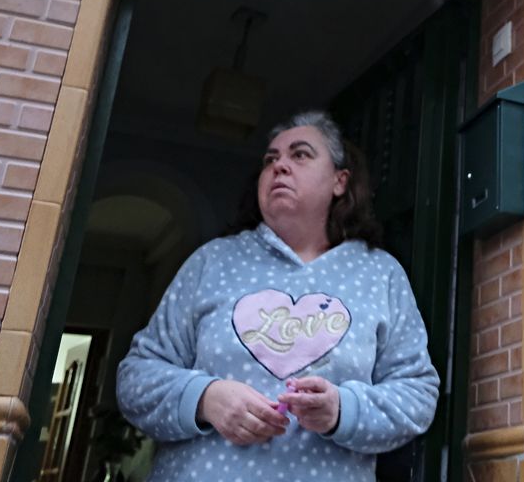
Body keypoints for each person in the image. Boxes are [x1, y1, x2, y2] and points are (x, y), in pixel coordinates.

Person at [117, 110, 439, 481]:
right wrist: (205, 399)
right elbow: (135, 378)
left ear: (339, 181)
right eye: (271, 159)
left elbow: (417, 393)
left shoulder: (380, 274)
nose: (280, 166)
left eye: (300, 154)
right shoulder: (213, 261)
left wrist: (342, 410)